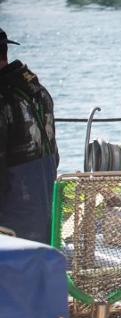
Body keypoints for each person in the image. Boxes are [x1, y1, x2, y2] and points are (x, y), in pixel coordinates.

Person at [0, 29, 58, 244]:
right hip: (45, 220)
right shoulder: (39, 91)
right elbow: (55, 157)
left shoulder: (4, 98)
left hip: (11, 228)